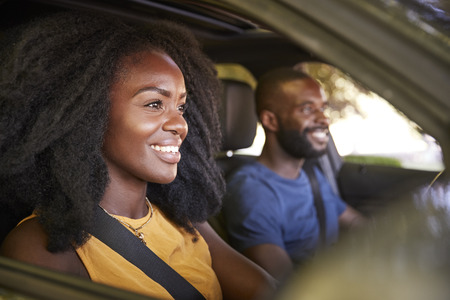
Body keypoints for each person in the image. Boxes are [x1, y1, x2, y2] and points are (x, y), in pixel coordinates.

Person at [0, 11, 275, 300]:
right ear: (89, 115)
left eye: (180, 107)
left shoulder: (183, 219)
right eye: (155, 103)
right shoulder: (42, 247)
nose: (181, 125)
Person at [222, 67, 366, 281]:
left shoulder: (310, 173)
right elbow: (285, 285)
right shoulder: (252, 193)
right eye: (307, 109)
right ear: (271, 121)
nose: (324, 119)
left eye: (322, 108)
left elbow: (354, 222)